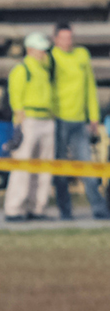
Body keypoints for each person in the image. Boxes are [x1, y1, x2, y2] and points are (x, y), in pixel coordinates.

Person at [49, 23, 110, 219]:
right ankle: (65, 210)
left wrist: (93, 116)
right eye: (63, 38)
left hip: (79, 120)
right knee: (60, 167)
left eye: (70, 38)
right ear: (55, 39)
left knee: (86, 165)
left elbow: (89, 87)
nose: (67, 42)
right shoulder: (51, 57)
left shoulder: (82, 55)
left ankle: (98, 208)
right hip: (59, 119)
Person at [3, 33, 56, 221]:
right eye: (40, 49)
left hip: (47, 119)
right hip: (29, 119)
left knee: (44, 167)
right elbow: (15, 95)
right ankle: (14, 208)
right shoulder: (22, 69)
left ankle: (37, 207)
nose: (43, 52)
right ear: (30, 49)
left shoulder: (45, 69)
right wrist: (19, 118)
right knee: (23, 166)